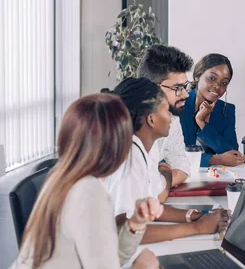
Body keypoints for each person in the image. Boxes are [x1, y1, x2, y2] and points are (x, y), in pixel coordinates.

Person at [11, 94, 161, 269]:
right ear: (118, 146)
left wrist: (135, 224)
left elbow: (107, 258)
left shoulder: (62, 177)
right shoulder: (88, 191)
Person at [104, 78, 230, 244]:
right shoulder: (129, 159)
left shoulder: (142, 152)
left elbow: (151, 206)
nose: (171, 116)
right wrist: (197, 228)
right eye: (165, 110)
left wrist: (194, 216)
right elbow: (123, 232)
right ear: (151, 120)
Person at [138, 45, 194, 196]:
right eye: (178, 87)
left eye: (185, 86)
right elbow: (146, 192)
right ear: (152, 88)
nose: (185, 95)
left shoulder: (172, 119)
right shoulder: (126, 125)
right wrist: (162, 179)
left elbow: (182, 165)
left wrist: (163, 172)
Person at [180, 53, 245, 167]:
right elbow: (175, 156)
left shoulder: (226, 110)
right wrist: (215, 159)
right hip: (183, 175)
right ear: (198, 76)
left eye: (224, 83)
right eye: (212, 78)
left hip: (215, 176)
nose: (217, 86)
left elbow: (232, 155)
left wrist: (202, 123)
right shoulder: (179, 105)